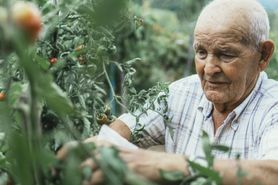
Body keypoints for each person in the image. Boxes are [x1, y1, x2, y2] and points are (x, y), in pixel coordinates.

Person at [82, 0, 278, 184]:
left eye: (226, 54)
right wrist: (93, 149)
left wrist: (158, 164)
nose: (209, 68)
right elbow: (122, 130)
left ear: (263, 55)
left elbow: (272, 173)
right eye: (201, 52)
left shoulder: (273, 107)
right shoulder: (180, 93)